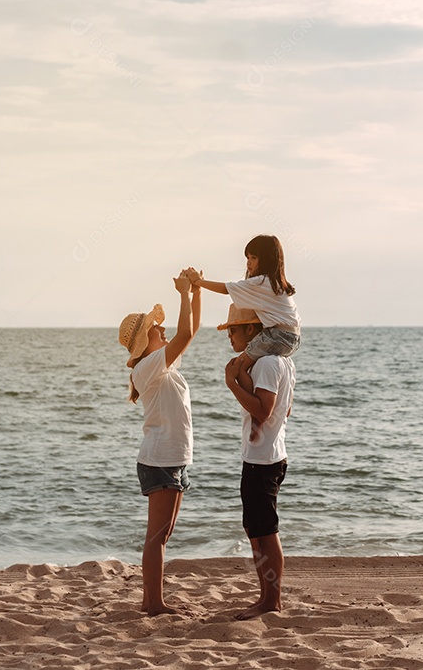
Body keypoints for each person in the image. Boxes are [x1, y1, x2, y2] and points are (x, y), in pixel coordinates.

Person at [117, 268, 202, 616]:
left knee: (162, 536)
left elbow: (190, 332)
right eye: (156, 327)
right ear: (144, 342)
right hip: (160, 460)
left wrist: (196, 291)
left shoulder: (161, 365)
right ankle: (153, 603)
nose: (162, 329)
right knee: (156, 536)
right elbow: (183, 332)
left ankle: (155, 600)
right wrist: (183, 293)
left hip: (174, 458)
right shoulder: (148, 367)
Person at [218, 303, 295, 620]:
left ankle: (270, 600)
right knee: (257, 528)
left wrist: (232, 383)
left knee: (265, 530)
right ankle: (266, 596)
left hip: (262, 462)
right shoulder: (283, 363)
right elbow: (283, 411)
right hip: (271, 455)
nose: (230, 337)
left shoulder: (265, 365)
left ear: (251, 330)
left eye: (233, 330)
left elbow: (263, 410)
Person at [188, 234, 300, 399]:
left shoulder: (260, 282)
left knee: (238, 367)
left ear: (267, 260)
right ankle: (275, 399)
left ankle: (255, 402)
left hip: (277, 335)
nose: (248, 262)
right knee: (248, 364)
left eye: (253, 257)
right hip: (293, 337)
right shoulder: (277, 284)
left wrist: (198, 282)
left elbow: (226, 289)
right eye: (247, 257)